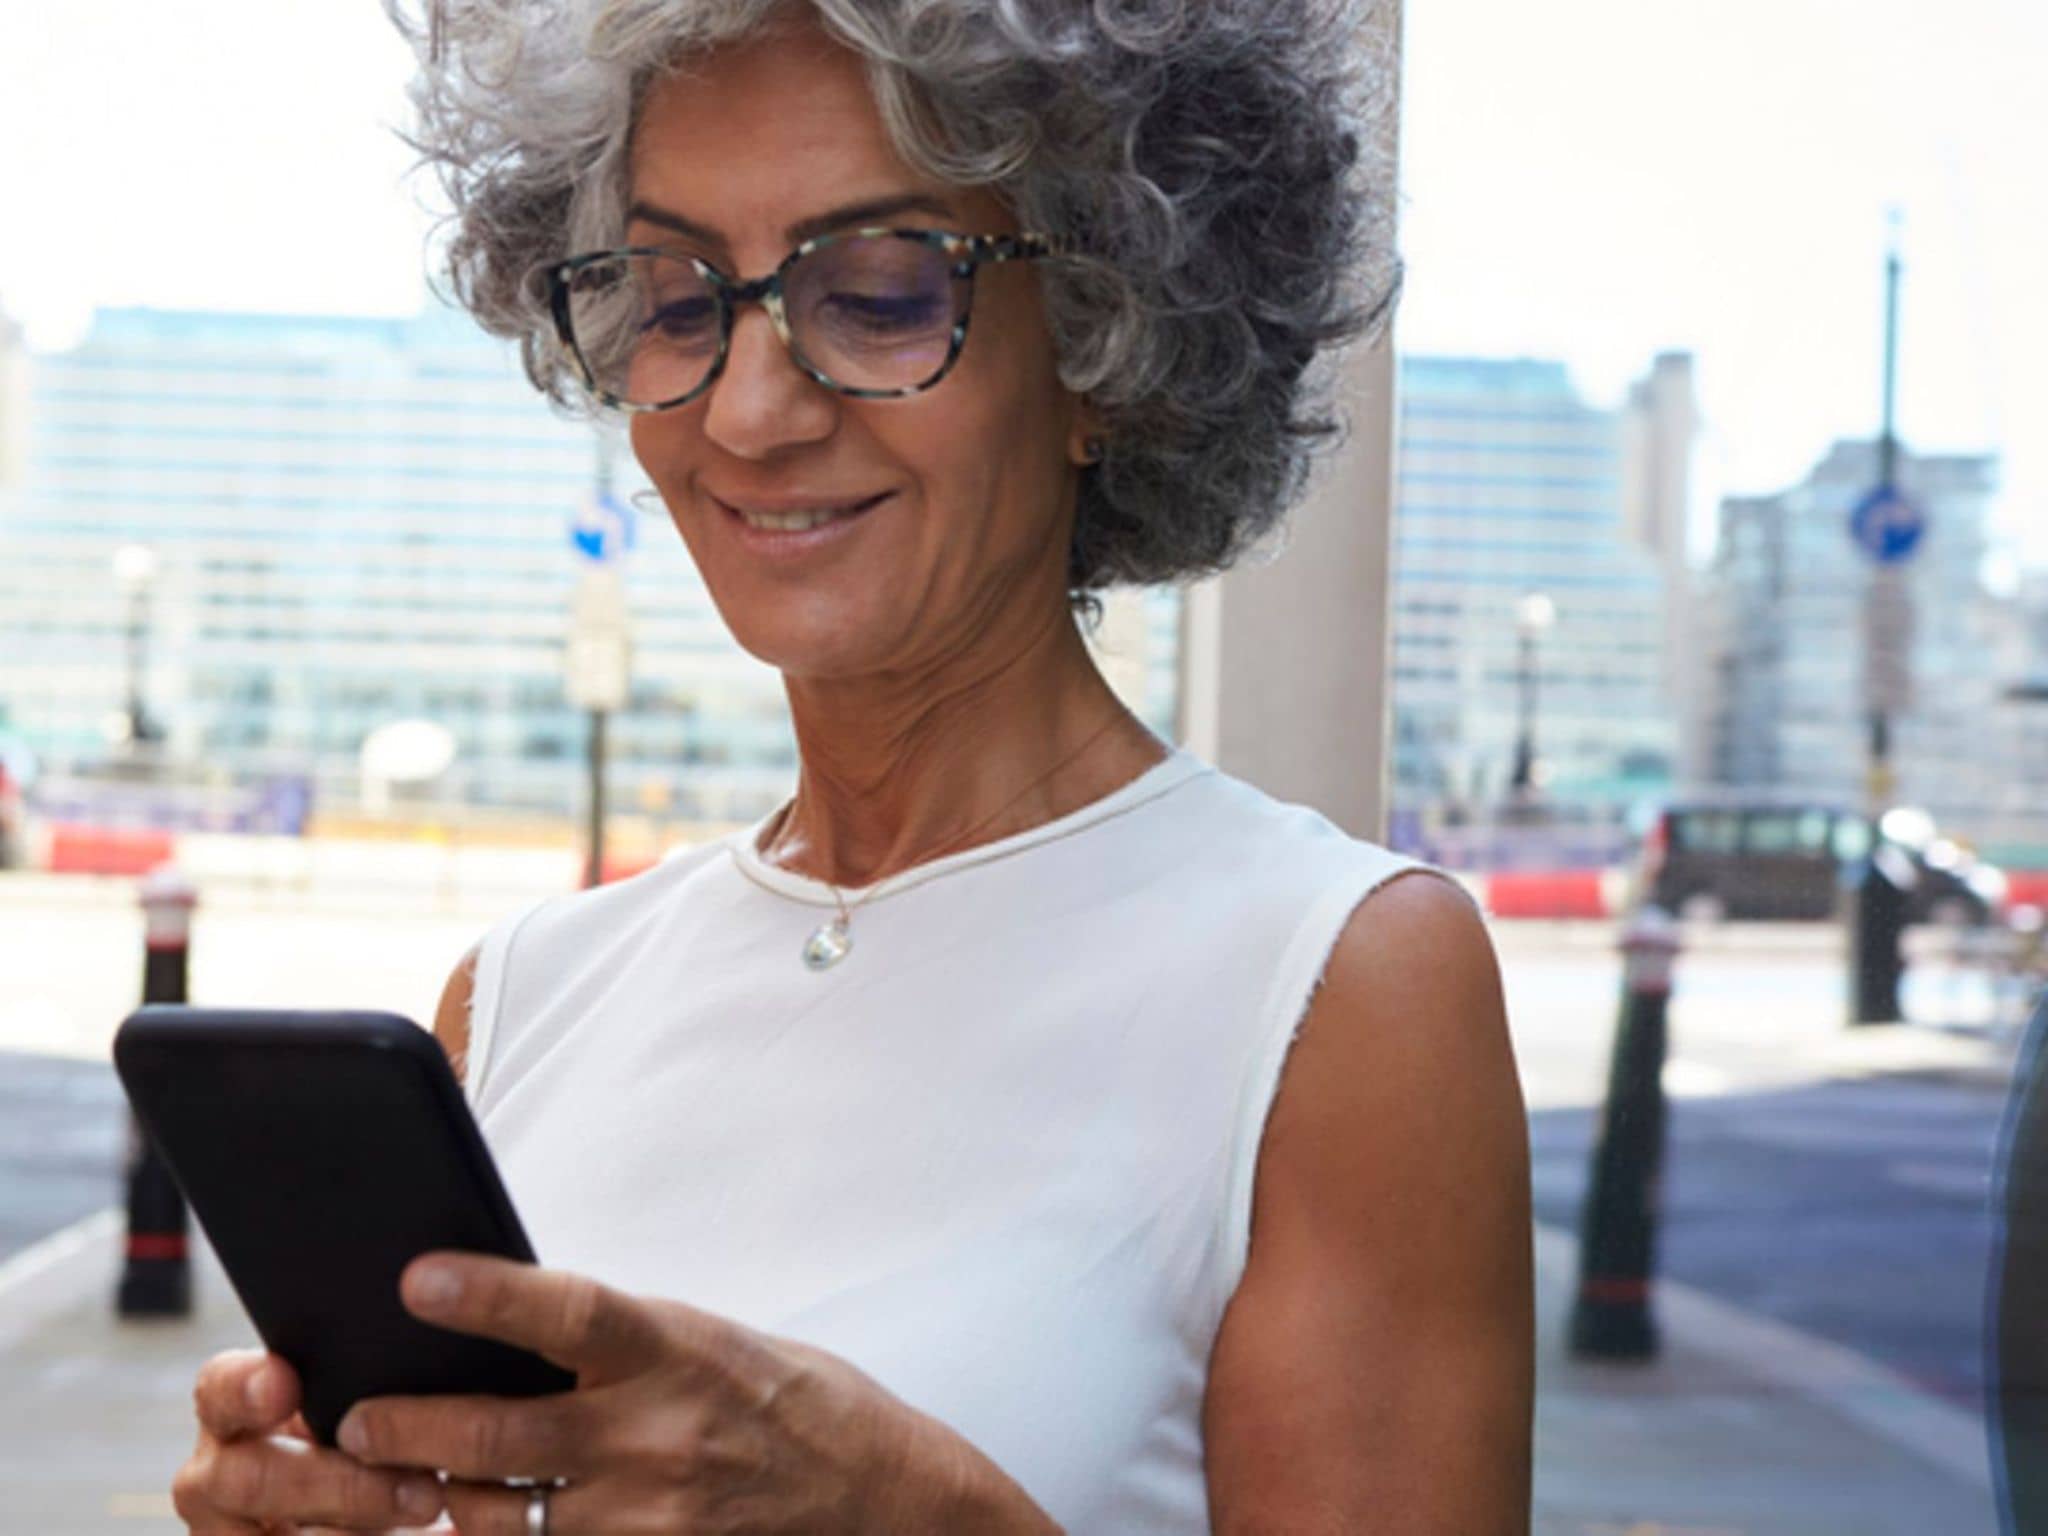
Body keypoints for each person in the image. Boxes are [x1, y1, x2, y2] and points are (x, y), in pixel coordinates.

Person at [172, 1, 1533, 1530]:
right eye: (675, 301)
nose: (750, 412)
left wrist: (915, 1509)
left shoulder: (1339, 986)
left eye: (880, 295)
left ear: (1108, 345)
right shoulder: (523, 997)